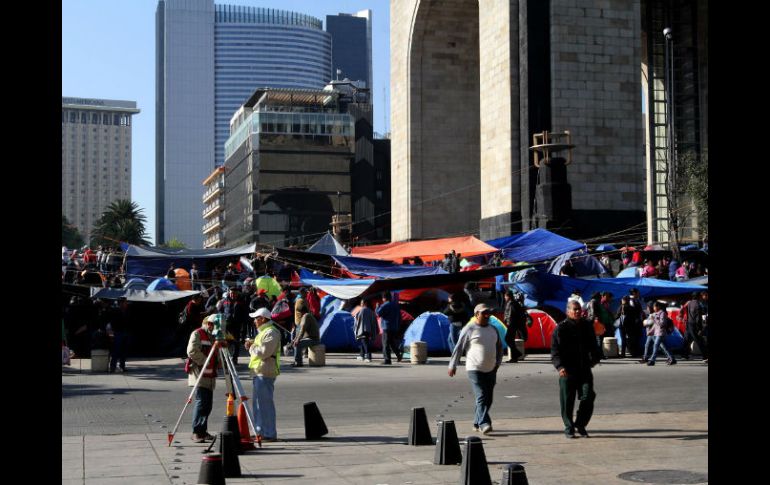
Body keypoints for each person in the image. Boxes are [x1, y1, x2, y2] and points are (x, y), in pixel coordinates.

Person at [551, 300, 603, 438]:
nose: (578, 311)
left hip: (584, 369)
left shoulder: (586, 326)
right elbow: (555, 352)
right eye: (575, 309)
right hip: (567, 371)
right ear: (568, 311)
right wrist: (560, 367)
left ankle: (580, 424)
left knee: (589, 396)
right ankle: (569, 427)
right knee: (567, 400)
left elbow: (594, 346)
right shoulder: (561, 329)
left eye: (579, 309)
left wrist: (594, 360)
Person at [448, 303, 503, 434]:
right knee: (482, 395)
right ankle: (484, 423)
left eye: (488, 313)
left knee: (488, 398)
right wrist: (452, 365)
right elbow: (459, 347)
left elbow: (499, 347)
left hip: (491, 368)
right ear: (476, 314)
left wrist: (498, 362)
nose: (487, 315)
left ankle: (476, 422)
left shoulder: (493, 329)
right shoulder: (469, 328)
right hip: (474, 367)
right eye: (484, 313)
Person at [245, 307, 281, 442]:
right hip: (260, 371)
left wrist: (251, 346)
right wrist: (253, 346)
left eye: (256, 318)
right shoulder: (264, 332)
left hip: (265, 371)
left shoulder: (271, 332)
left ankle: (269, 433)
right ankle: (260, 431)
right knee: (258, 405)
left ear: (263, 319)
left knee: (264, 405)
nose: (254, 321)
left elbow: (263, 352)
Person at [186, 314, 221, 443]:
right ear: (209, 324)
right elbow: (192, 351)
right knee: (202, 403)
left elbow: (217, 354)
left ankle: (202, 431)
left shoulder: (214, 336)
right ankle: (196, 431)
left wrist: (218, 361)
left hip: (209, 375)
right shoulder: (198, 333)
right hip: (199, 374)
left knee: (207, 405)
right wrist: (206, 361)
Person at [641, 301, 676, 366]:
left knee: (655, 346)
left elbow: (662, 324)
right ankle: (672, 358)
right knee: (664, 347)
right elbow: (655, 325)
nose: (653, 308)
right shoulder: (654, 314)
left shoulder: (662, 313)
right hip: (656, 333)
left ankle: (652, 360)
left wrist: (654, 319)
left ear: (658, 307)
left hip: (661, 333)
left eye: (654, 307)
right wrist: (650, 332)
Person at [680, 292, 709, 362]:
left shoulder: (689, 303)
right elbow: (698, 318)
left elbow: (686, 312)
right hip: (694, 325)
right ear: (699, 297)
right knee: (699, 340)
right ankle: (705, 357)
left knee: (687, 339)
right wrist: (700, 328)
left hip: (688, 323)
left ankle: (684, 355)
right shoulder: (698, 305)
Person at [376, 292, 402, 364]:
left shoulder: (385, 305)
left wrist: (377, 307)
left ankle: (387, 359)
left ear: (384, 298)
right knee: (392, 342)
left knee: (385, 343)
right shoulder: (396, 305)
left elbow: (378, 313)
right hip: (394, 327)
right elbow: (400, 317)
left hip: (386, 327)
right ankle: (398, 355)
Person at [503, 291, 529, 363]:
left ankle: (516, 354)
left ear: (508, 296)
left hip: (512, 325)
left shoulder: (511, 304)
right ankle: (515, 356)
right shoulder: (513, 303)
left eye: (505, 296)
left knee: (508, 339)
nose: (504, 298)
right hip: (513, 325)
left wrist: (509, 324)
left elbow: (511, 316)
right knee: (510, 340)